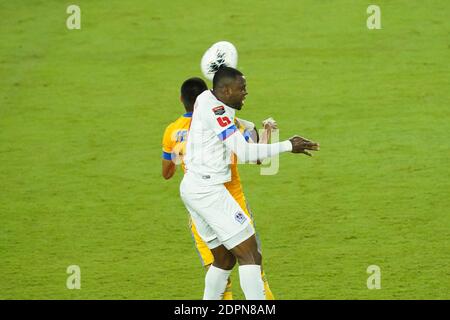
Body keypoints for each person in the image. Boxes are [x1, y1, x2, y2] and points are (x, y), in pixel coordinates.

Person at [180, 66, 319, 300]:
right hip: (208, 192)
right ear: (225, 90)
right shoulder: (216, 111)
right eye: (241, 89)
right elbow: (245, 153)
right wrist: (288, 145)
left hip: (193, 188)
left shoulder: (206, 98)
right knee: (251, 255)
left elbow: (254, 153)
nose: (246, 93)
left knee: (224, 260)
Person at [161, 77, 276, 299]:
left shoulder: (173, 131)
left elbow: (167, 173)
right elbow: (257, 157)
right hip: (233, 202)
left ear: (181, 100)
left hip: (200, 203)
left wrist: (184, 152)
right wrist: (267, 131)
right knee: (253, 264)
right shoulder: (227, 121)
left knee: (220, 265)